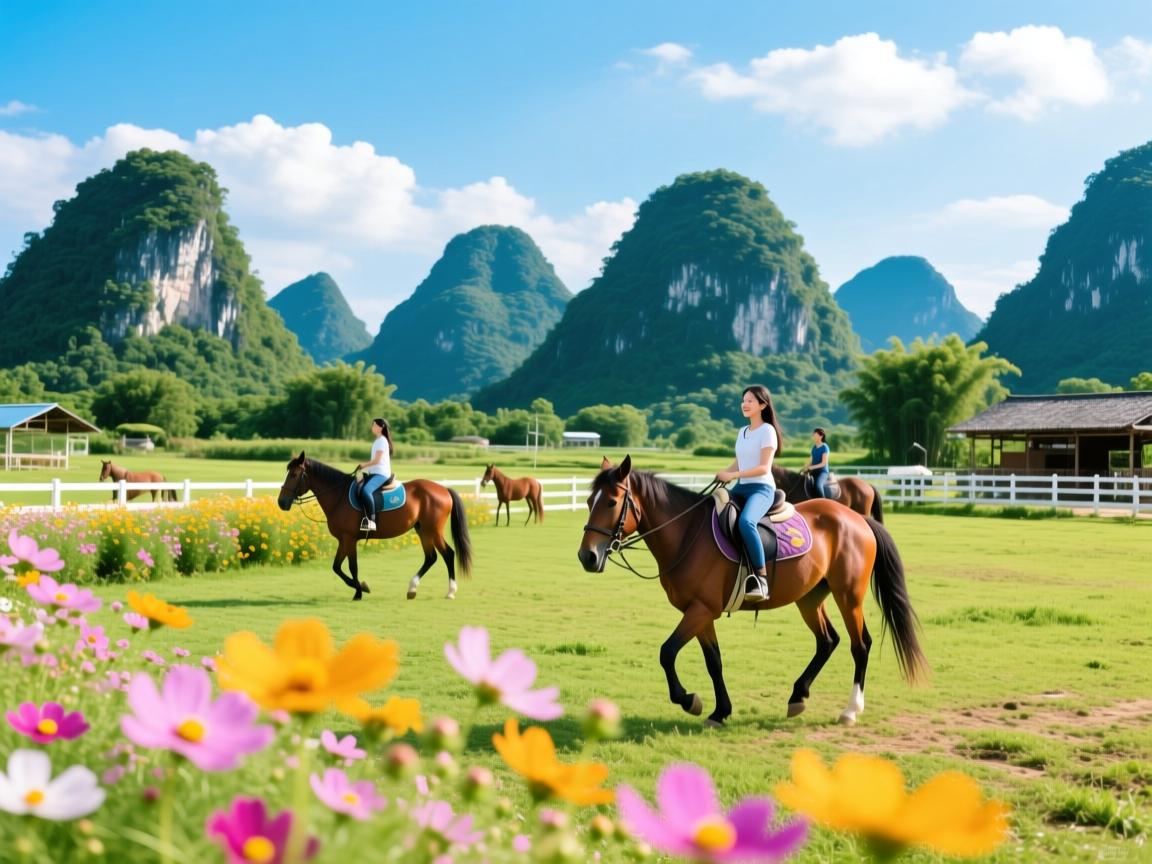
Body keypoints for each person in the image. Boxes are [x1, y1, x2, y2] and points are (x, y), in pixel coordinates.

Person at [714, 385, 782, 602]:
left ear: (762, 405)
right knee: (713, 513)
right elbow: (738, 462)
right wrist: (726, 472)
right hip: (741, 487)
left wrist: (733, 475)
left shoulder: (767, 431)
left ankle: (761, 579)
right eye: (743, 400)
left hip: (761, 488)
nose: (745, 404)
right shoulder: (742, 432)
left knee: (746, 523)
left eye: (750, 400)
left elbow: (764, 468)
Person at [355, 418, 394, 532]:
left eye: (374, 425)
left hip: (381, 474)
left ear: (380, 427)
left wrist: (363, 465)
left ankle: (371, 520)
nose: (372, 427)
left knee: (366, 491)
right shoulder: (378, 440)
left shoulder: (382, 441)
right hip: (374, 473)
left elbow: (377, 461)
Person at [805, 427, 832, 499]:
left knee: (818, 486)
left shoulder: (825, 447)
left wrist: (812, 467)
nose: (813, 435)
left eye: (815, 434)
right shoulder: (814, 447)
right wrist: (804, 468)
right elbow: (810, 460)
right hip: (813, 471)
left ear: (821, 436)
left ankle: (824, 503)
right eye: (813, 434)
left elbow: (824, 463)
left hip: (822, 472)